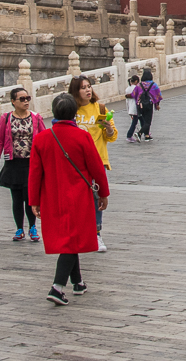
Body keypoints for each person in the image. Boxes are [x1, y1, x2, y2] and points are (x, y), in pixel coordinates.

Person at [28, 92, 109, 306]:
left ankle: (78, 282)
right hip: (78, 196)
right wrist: (104, 194)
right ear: (74, 113)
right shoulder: (82, 137)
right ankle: (57, 287)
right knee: (72, 241)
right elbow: (96, 168)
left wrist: (34, 200)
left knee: (70, 238)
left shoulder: (41, 138)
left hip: (52, 196)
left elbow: (35, 173)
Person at [0, 86, 46, 241]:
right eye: (21, 99)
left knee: (30, 196)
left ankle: (33, 227)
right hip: (13, 163)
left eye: (27, 98)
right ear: (13, 102)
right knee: (16, 198)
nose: (25, 101)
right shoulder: (6, 118)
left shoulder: (36, 117)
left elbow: (44, 138)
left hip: (31, 163)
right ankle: (19, 228)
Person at [71, 75, 117, 250]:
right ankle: (79, 233)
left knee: (97, 199)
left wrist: (109, 128)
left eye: (89, 86)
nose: (87, 90)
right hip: (76, 163)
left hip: (97, 161)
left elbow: (112, 137)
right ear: (76, 91)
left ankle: (96, 235)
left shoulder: (101, 109)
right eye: (83, 87)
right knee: (77, 200)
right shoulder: (72, 111)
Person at [130, 70, 162, 140]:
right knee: (148, 121)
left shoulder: (139, 85)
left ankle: (147, 135)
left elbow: (134, 94)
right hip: (148, 105)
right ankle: (139, 133)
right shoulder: (153, 85)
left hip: (140, 105)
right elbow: (158, 95)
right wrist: (157, 104)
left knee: (144, 120)